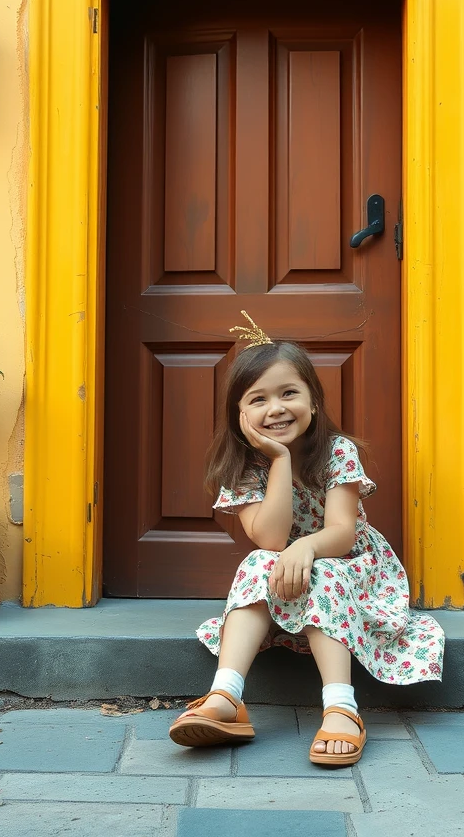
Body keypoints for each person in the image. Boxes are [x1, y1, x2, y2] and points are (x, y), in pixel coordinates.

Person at [168, 313, 444, 767]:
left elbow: (340, 532)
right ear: (240, 417)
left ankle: (341, 706)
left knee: (327, 570)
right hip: (284, 574)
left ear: (313, 401)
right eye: (258, 399)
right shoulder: (243, 469)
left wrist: (307, 546)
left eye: (288, 393)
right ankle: (227, 697)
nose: (275, 408)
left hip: (348, 566)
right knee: (257, 560)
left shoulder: (337, 451)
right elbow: (272, 538)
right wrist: (277, 459)